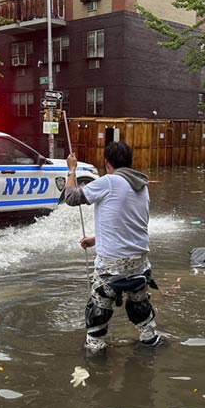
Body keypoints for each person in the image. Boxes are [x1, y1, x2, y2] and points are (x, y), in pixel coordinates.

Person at [63, 141, 160, 353]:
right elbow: (128, 223)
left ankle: (96, 358)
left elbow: (70, 197)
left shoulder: (109, 182)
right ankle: (149, 342)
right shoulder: (141, 186)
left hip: (111, 267)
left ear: (107, 163)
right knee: (141, 310)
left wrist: (71, 170)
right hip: (140, 265)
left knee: (97, 314)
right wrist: (96, 239)